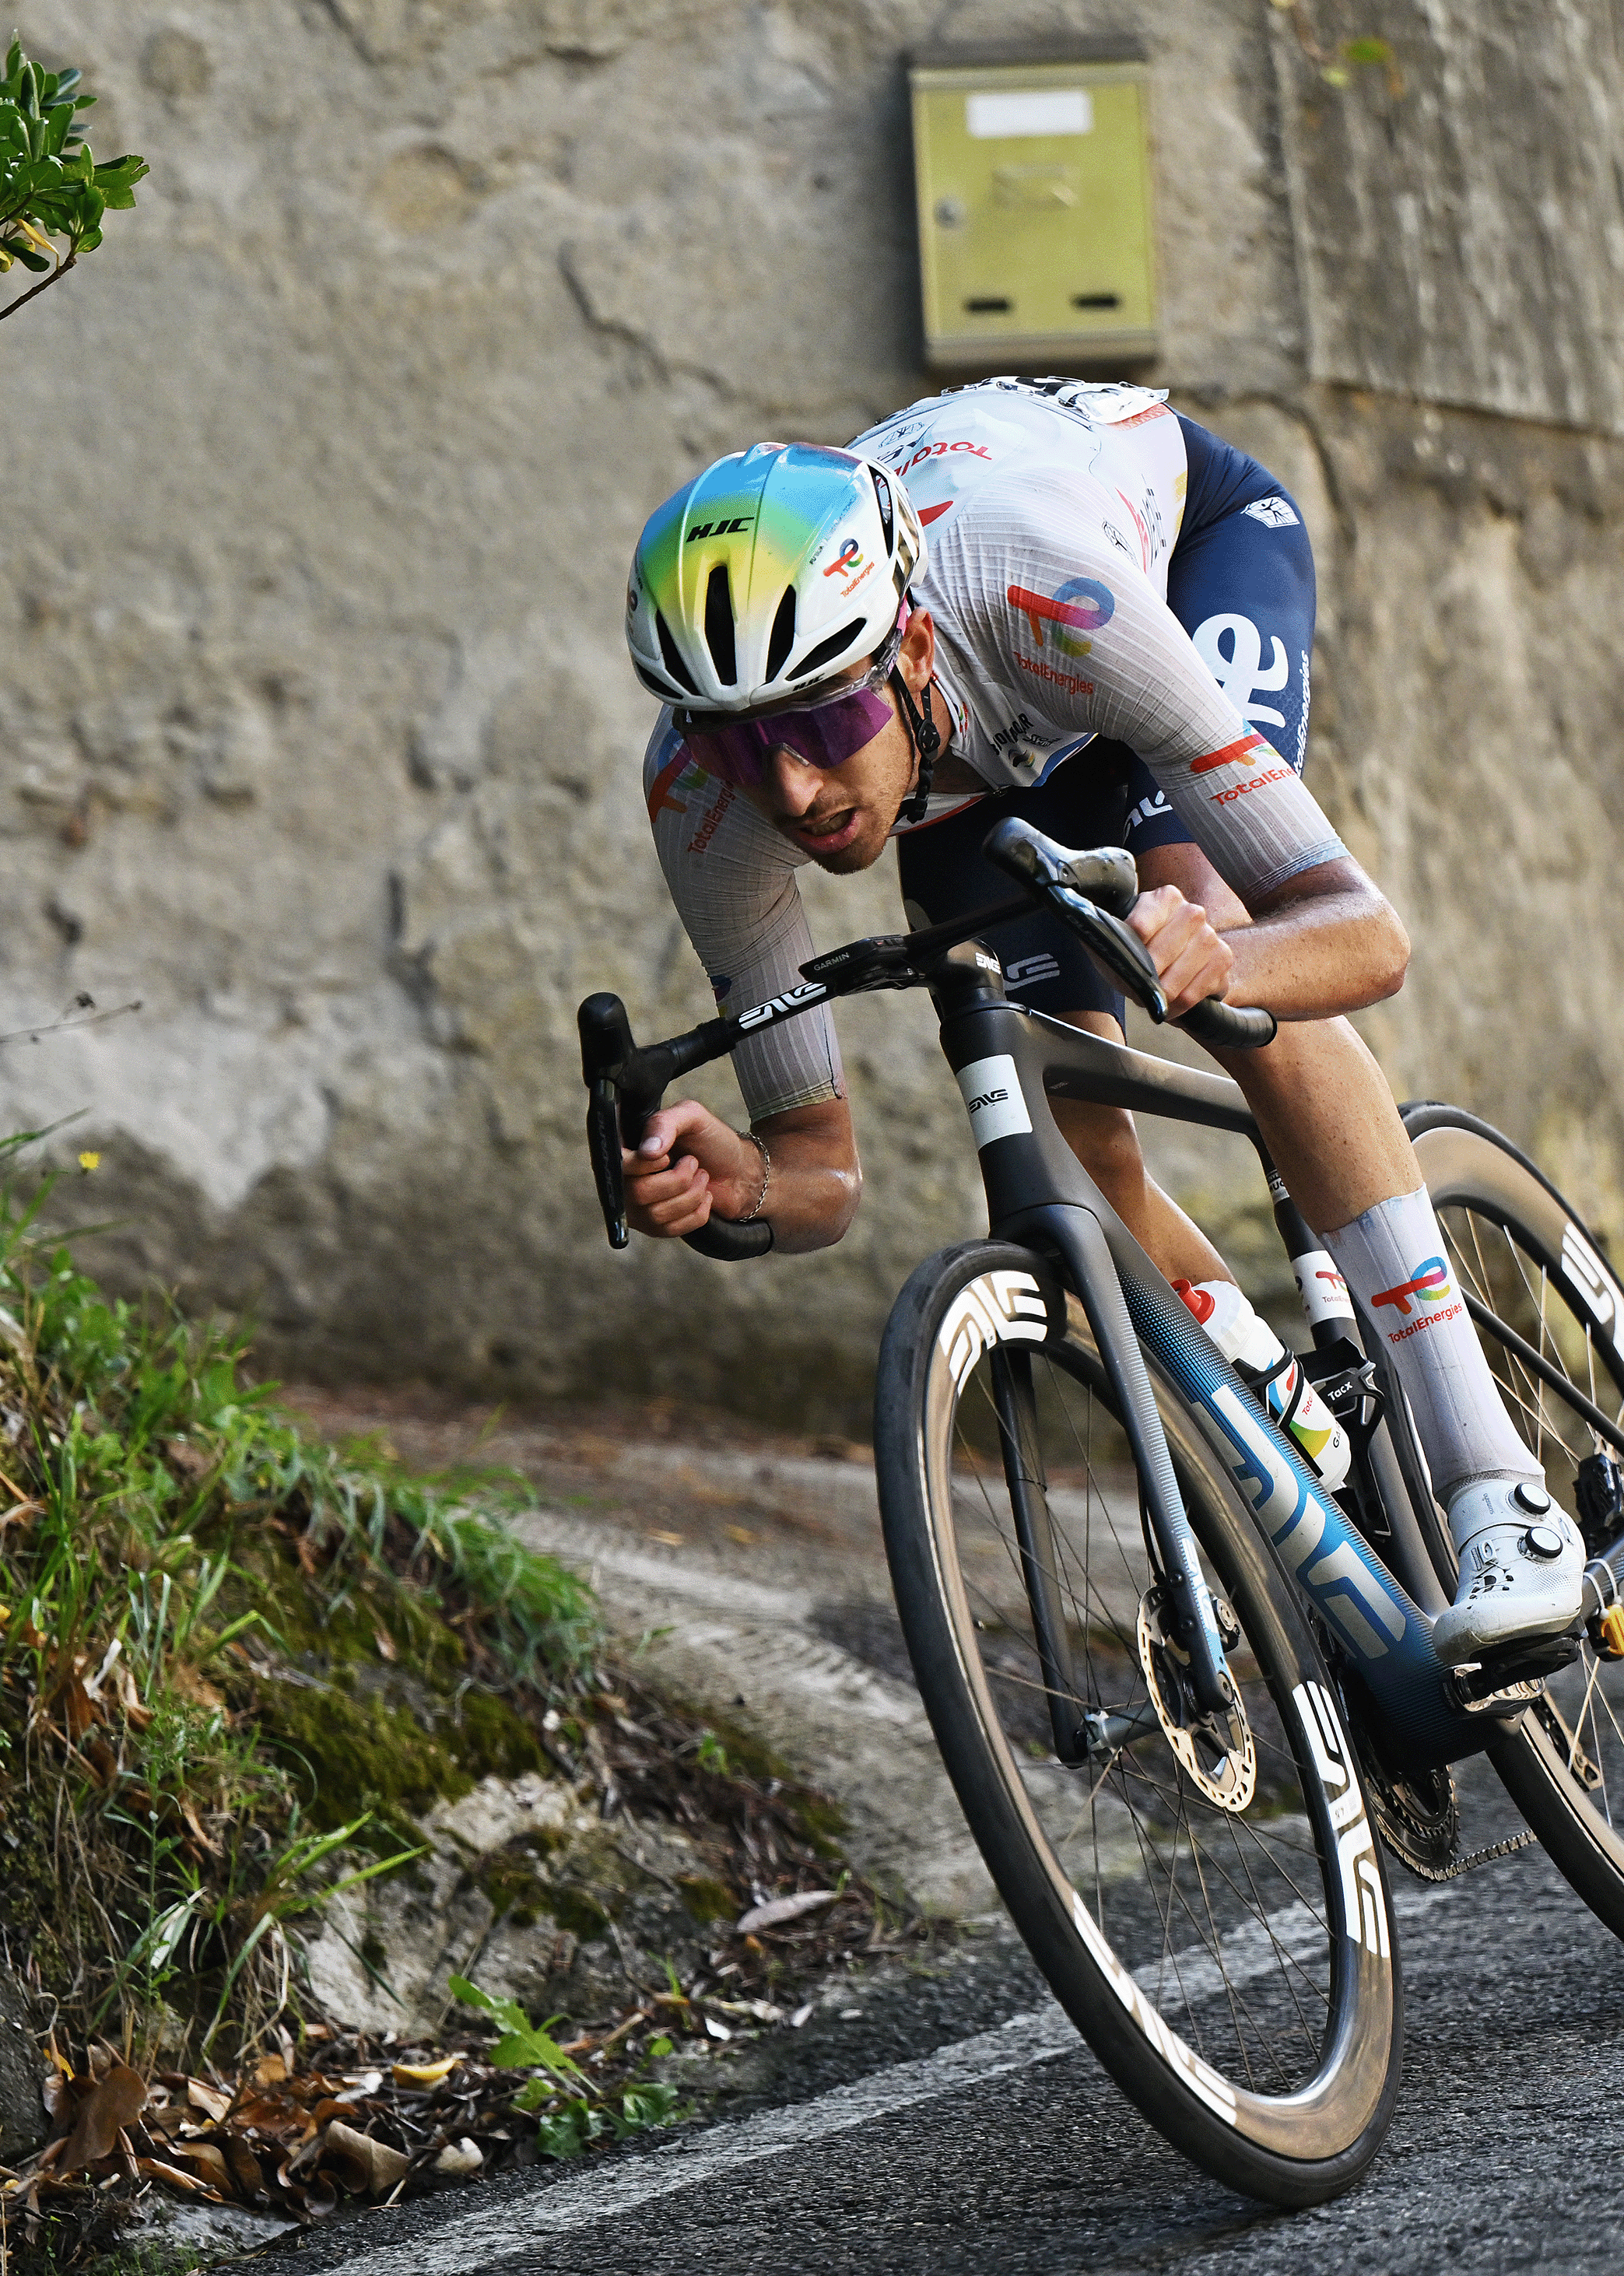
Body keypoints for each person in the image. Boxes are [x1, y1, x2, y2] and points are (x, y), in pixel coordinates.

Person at [616, 377, 1572, 1661]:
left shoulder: (1035, 587)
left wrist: (1226, 950)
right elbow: (820, 1176)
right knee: (1072, 1144)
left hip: (1152, 577)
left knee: (1227, 961)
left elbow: (1364, 934)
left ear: (900, 651)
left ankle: (1490, 1484)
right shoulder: (703, 805)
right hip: (965, 765)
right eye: (740, 748)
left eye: (822, 721)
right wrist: (741, 1193)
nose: (789, 788)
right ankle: (1292, 1428)